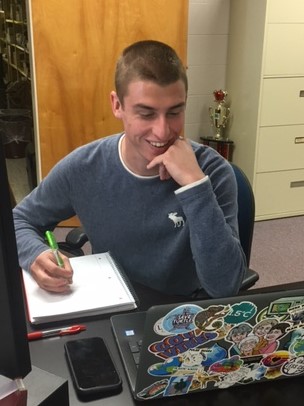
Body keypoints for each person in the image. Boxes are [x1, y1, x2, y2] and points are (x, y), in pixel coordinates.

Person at [13, 40, 246, 298]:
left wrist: (194, 185)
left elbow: (225, 285)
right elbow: (18, 220)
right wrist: (35, 253)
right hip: (112, 301)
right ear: (117, 105)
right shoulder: (83, 167)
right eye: (146, 114)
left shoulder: (212, 171)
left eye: (174, 112)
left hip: (183, 309)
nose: (162, 131)